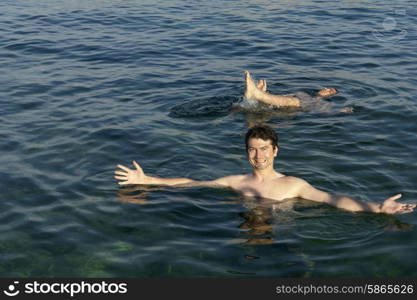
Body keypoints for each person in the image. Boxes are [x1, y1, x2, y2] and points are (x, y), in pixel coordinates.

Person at [114, 125, 415, 214]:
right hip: (244, 225)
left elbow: (333, 199)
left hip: (282, 236)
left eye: (263, 149)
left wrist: (377, 208)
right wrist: (148, 180)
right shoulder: (235, 181)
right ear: (246, 152)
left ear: (275, 151)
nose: (258, 155)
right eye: (252, 149)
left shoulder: (293, 184)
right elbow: (192, 183)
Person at [243, 70, 339, 108]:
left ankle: (256, 94)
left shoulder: (322, 103)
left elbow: (327, 113)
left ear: (329, 95)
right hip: (280, 106)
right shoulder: (306, 94)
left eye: (330, 90)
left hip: (290, 112)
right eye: (327, 87)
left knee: (293, 101)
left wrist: (340, 112)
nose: (326, 88)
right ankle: (258, 96)